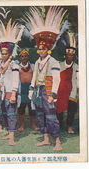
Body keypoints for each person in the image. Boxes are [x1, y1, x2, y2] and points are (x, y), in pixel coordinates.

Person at [24, 6, 67, 151]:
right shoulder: (37, 62)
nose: (39, 51)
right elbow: (35, 76)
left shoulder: (53, 61)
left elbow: (57, 80)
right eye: (38, 49)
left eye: (42, 49)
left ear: (47, 49)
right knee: (40, 114)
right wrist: (31, 89)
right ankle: (46, 138)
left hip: (48, 91)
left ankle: (58, 141)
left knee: (51, 116)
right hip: (38, 90)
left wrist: (53, 94)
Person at [56, 33, 78, 134]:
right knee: (59, 108)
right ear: (65, 55)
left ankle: (69, 126)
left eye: (72, 55)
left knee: (72, 108)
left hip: (72, 90)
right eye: (69, 54)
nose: (70, 57)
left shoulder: (77, 67)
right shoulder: (59, 65)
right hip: (61, 90)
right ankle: (59, 124)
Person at [17, 49, 39, 131]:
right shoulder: (17, 67)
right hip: (21, 89)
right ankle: (22, 125)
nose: (24, 58)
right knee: (21, 108)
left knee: (32, 108)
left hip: (30, 88)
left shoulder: (33, 66)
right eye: (22, 56)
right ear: (20, 58)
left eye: (25, 56)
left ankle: (33, 124)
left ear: (28, 57)